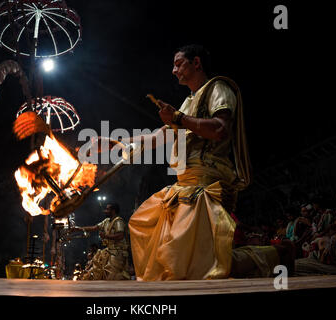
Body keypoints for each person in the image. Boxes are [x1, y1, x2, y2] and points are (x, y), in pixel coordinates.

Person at [128, 44, 292, 280]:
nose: (173, 70)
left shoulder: (219, 88)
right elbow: (159, 136)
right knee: (142, 223)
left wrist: (178, 118)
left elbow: (220, 130)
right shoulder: (188, 102)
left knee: (188, 260)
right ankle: (275, 254)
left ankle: (277, 253)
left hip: (206, 182)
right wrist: (116, 142)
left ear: (196, 63)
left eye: (178, 64)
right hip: (184, 183)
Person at [77, 203, 130, 280]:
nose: (105, 211)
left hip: (118, 253)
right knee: (99, 271)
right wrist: (79, 229)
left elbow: (120, 236)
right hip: (109, 252)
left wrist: (105, 236)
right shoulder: (106, 221)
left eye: (107, 209)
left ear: (113, 211)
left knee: (113, 276)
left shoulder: (118, 221)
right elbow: (94, 227)